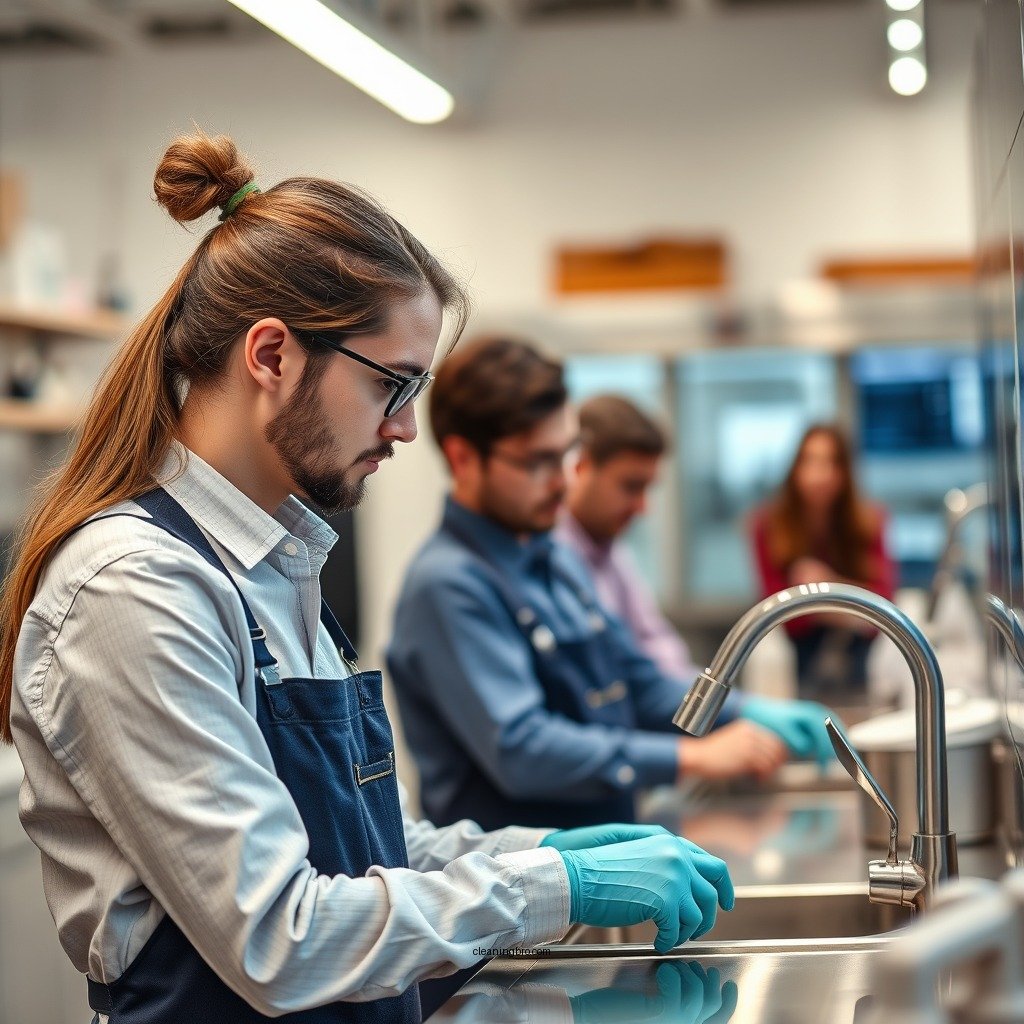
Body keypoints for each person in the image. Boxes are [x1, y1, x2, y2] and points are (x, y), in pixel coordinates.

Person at [0, 132, 737, 1024]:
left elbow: (363, 849)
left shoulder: (281, 566)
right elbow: (281, 935)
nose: (406, 430)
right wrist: (552, 888)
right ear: (271, 357)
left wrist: (538, 850)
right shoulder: (134, 589)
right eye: (393, 385)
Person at [387, 337, 836, 834]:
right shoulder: (449, 585)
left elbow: (638, 683)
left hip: (596, 867)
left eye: (565, 456)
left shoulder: (555, 558)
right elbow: (522, 749)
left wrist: (742, 710)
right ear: (463, 458)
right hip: (520, 891)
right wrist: (689, 757)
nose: (561, 482)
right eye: (537, 462)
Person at [555, 393, 697, 680]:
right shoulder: (553, 553)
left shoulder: (610, 552)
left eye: (647, 489)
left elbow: (657, 643)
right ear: (580, 467)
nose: (643, 507)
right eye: (631, 487)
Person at [750, 423, 896, 699]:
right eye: (810, 461)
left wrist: (823, 586)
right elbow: (779, 616)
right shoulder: (767, 526)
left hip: (861, 656)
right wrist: (850, 610)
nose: (819, 475)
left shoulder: (871, 521)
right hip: (798, 656)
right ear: (795, 468)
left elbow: (885, 605)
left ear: (844, 472)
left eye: (830, 462)